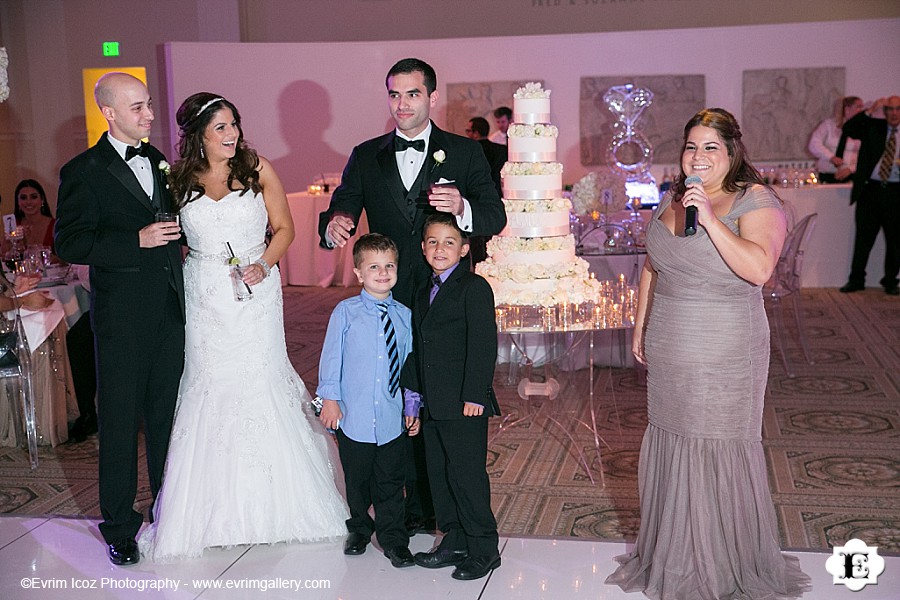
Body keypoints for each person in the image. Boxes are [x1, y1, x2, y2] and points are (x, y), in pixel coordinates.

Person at [606, 108, 810, 599]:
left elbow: (759, 269)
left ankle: (721, 564)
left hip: (724, 346)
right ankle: (674, 556)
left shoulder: (756, 201)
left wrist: (713, 218)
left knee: (715, 446)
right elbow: (652, 266)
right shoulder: (672, 199)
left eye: (710, 147)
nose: (697, 157)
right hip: (671, 341)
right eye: (691, 147)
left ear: (732, 151)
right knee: (672, 442)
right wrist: (641, 325)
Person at [138, 93, 348, 562]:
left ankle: (281, 505)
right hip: (203, 293)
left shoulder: (258, 169)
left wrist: (262, 264)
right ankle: (208, 512)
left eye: (234, 124)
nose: (231, 134)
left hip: (254, 290)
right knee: (207, 384)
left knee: (259, 379)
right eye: (220, 128)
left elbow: (286, 229)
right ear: (198, 136)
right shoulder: (178, 179)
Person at [318, 57, 506, 535]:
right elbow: (343, 204)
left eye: (412, 94)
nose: (402, 104)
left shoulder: (465, 153)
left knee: (440, 404)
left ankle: (444, 510)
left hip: (447, 299)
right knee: (394, 394)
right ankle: (403, 505)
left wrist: (463, 207)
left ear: (432, 97)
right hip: (387, 300)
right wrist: (333, 224)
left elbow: (494, 216)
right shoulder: (366, 154)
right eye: (394, 95)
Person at [55, 72, 186, 566]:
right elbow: (69, 242)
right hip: (121, 319)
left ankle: (168, 509)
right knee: (118, 422)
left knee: (165, 419)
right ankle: (119, 526)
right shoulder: (83, 170)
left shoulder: (157, 160)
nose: (149, 114)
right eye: (137, 108)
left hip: (169, 312)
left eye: (148, 104)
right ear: (108, 113)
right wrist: (135, 241)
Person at [401, 212, 501, 581]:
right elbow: (417, 345)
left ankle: (484, 547)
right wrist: (412, 397)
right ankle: (454, 539)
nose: (439, 248)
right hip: (432, 402)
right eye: (432, 242)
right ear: (423, 247)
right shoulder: (423, 289)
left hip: (463, 403)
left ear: (464, 248)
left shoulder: (474, 288)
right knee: (440, 475)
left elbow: (483, 344)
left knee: (467, 475)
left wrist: (475, 393)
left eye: (448, 242)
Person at [317, 233, 420, 569]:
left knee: (391, 483)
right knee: (358, 481)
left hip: (391, 419)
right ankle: (359, 528)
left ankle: (394, 539)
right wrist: (330, 400)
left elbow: (409, 366)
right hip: (355, 416)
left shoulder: (404, 316)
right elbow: (332, 358)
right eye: (373, 266)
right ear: (359, 273)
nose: (382, 272)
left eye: (389, 265)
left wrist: (412, 407)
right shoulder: (345, 312)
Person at [837, 96, 900, 296]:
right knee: (863, 238)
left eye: (898, 109)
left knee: (895, 241)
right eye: (890, 109)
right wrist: (870, 110)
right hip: (870, 191)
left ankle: (891, 280)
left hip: (896, 192)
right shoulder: (874, 127)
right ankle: (856, 279)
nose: (894, 113)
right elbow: (848, 129)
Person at [465, 116, 507, 265]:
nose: (467, 134)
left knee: (477, 247)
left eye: (468, 131)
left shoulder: (469, 151)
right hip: (496, 201)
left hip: (475, 202)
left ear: (476, 133)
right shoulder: (501, 150)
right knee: (495, 244)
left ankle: (479, 271)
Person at [807, 96, 863, 183]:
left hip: (852, 176)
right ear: (847, 109)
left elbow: (867, 155)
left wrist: (851, 169)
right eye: (858, 107)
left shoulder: (863, 129)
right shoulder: (828, 125)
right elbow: (814, 144)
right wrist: (831, 157)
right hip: (827, 175)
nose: (861, 110)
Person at [7, 179, 57, 253]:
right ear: (18, 202)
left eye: (33, 197)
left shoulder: (55, 226)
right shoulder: (13, 225)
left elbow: (66, 260)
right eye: (23, 198)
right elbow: (5, 255)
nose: (28, 202)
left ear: (42, 200)